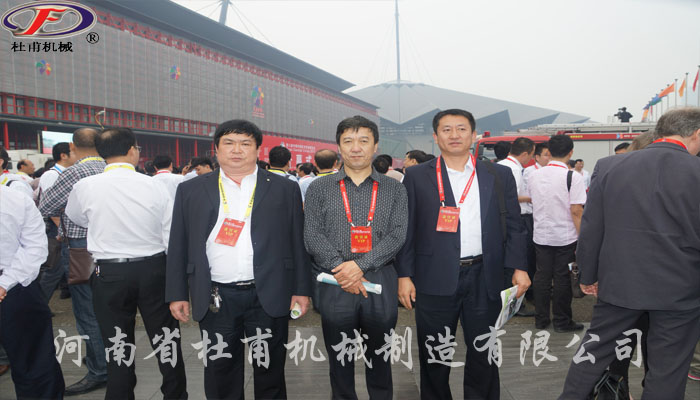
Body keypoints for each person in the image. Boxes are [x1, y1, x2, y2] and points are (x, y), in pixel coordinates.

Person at [560, 107, 700, 399]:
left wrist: (587, 274)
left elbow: (592, 227)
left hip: (620, 281)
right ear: (696, 133)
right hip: (681, 287)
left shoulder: (610, 166)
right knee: (668, 368)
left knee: (593, 352)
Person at [166, 119, 311, 399]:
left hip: (269, 293)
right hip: (216, 297)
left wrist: (301, 289)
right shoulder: (191, 189)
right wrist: (177, 294)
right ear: (216, 149)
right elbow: (179, 243)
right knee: (220, 373)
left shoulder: (283, 188)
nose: (237, 150)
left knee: (270, 371)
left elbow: (297, 241)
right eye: (229, 143)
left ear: (257, 150)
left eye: (245, 144)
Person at [396, 109, 529, 400]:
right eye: (446, 130)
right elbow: (407, 228)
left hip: (485, 275)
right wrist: (404, 275)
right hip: (433, 276)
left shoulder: (498, 174)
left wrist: (519, 267)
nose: (454, 135)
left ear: (473, 135)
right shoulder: (417, 176)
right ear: (436, 137)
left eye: (461, 129)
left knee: (484, 352)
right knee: (435, 353)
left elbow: (515, 224)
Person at [64, 128, 186, 399]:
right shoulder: (154, 185)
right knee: (166, 339)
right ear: (132, 150)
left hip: (110, 271)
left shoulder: (85, 186)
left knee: (116, 342)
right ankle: (176, 395)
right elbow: (170, 232)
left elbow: (77, 218)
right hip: (154, 269)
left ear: (101, 153)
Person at [304, 116, 408, 400]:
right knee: (339, 358)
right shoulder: (319, 188)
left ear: (375, 146)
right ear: (338, 147)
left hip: (380, 277)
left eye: (363, 141)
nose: (356, 148)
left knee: (380, 357)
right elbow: (312, 235)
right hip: (335, 280)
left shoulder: (394, 188)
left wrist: (359, 266)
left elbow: (398, 235)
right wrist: (343, 269)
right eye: (348, 141)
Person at [39, 127, 109, 395]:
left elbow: (46, 206)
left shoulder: (74, 172)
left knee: (86, 308)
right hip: (111, 247)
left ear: (72, 146)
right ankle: (108, 359)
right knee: (109, 306)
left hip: (81, 247)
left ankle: (99, 369)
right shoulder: (112, 168)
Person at [0, 185, 65, 399]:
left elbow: (35, 248)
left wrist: (5, 283)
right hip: (16, 286)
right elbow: (34, 247)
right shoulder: (16, 199)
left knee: (34, 362)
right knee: (34, 362)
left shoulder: (17, 200)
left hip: (16, 287)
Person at [527, 135, 586, 333]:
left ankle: (541, 319)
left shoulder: (534, 175)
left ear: (549, 152)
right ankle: (562, 321)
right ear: (571, 152)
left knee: (541, 276)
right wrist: (582, 238)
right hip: (565, 236)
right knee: (562, 278)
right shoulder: (573, 177)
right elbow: (576, 211)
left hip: (541, 234)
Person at [497, 137, 535, 316]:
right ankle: (514, 305)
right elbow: (514, 197)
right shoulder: (513, 169)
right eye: (532, 155)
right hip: (515, 218)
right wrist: (531, 197)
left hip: (501, 220)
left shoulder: (501, 165)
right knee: (515, 263)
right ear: (525, 153)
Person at [37, 142, 75, 303]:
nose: (76, 155)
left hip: (62, 228)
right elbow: (49, 206)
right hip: (57, 229)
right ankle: (38, 305)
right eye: (73, 152)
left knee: (59, 269)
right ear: (63, 155)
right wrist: (62, 230)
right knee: (54, 270)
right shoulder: (51, 175)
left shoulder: (66, 173)